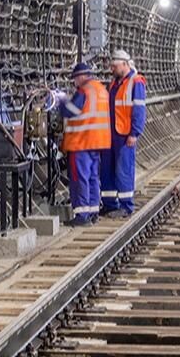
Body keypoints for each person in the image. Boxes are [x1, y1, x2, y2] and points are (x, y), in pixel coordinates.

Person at [60, 62, 109, 226]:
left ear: (81, 77)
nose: (74, 83)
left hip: (81, 141)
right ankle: (93, 211)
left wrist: (62, 101)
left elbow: (71, 111)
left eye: (74, 79)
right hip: (97, 141)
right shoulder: (101, 89)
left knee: (79, 178)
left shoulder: (84, 91)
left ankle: (82, 216)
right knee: (93, 177)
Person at [100, 49, 147, 217]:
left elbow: (139, 110)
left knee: (123, 170)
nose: (112, 69)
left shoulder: (136, 82)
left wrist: (135, 133)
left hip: (124, 134)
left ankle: (126, 206)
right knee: (107, 170)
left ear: (125, 64)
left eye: (115, 66)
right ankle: (110, 204)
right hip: (110, 133)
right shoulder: (114, 83)